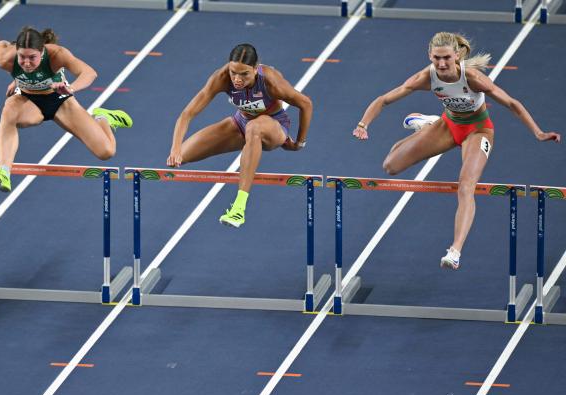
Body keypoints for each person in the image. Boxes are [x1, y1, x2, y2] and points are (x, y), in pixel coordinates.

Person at [352, 32, 560, 270]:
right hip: (449, 126)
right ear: (429, 55)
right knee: (390, 166)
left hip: (478, 131)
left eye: (446, 58)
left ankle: (455, 250)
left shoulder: (472, 78)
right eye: (436, 58)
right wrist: (363, 124)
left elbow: (512, 104)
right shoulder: (425, 77)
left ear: (457, 55)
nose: (441, 64)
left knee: (466, 186)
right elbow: (384, 100)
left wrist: (538, 132)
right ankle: (427, 124)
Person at [167, 43, 312, 228]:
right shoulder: (221, 77)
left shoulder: (270, 81)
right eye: (234, 72)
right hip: (240, 123)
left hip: (273, 125)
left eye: (244, 74)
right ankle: (186, 151)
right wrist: (175, 148)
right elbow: (187, 114)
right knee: (184, 155)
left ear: (255, 68)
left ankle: (239, 208)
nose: (237, 79)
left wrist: (300, 142)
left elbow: (306, 104)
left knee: (254, 127)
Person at [0, 26, 133, 192]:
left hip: (60, 100)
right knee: (9, 109)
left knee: (106, 152)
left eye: (32, 58)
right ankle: (4, 172)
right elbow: (2, 43)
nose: (26, 63)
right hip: (29, 102)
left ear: (42, 52)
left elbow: (89, 73)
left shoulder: (57, 54)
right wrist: (18, 79)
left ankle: (103, 117)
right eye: (22, 57)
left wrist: (71, 88)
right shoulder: (4, 59)